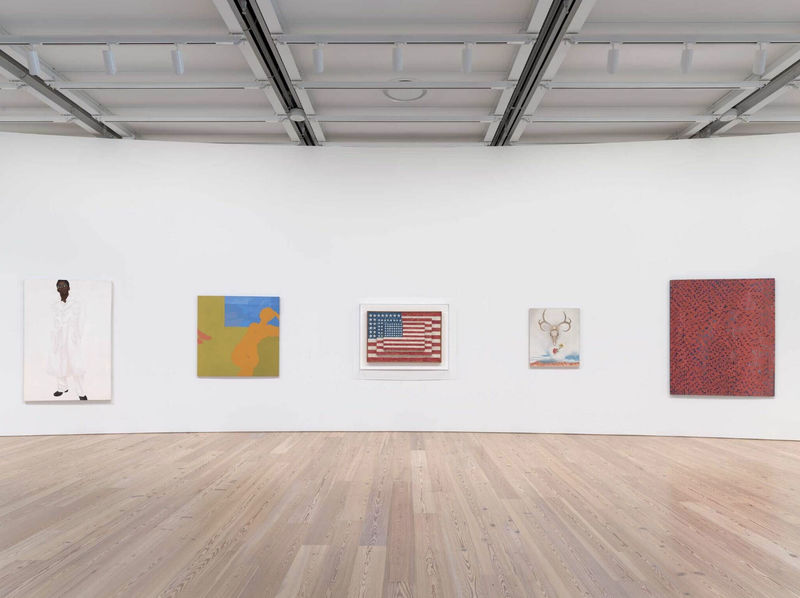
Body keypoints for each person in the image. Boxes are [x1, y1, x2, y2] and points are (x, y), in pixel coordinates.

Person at [48, 280, 88, 400]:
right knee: (60, 363)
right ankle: (62, 387)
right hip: (59, 337)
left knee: (76, 364)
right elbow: (53, 322)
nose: (62, 287)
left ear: (69, 288)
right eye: (59, 286)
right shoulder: (55, 305)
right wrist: (54, 337)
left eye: (64, 285)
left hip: (72, 337)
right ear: (57, 289)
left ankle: (81, 392)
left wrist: (77, 335)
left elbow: (82, 320)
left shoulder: (76, 303)